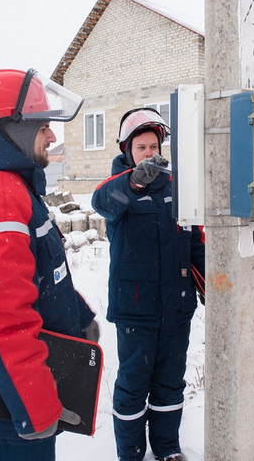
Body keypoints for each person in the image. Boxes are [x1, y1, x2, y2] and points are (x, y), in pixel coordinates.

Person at [0, 68, 99, 461]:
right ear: (14, 127)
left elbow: (33, 277)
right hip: (10, 410)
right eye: (43, 126)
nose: (52, 136)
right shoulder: (2, 194)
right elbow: (2, 315)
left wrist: (78, 315)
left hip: (4, 396)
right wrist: (35, 408)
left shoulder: (8, 186)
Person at [91, 108, 205, 461]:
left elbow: (194, 243)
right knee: (133, 385)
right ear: (127, 150)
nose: (149, 153)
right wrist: (135, 180)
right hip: (136, 310)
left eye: (153, 145)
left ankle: (168, 448)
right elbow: (102, 203)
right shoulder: (118, 189)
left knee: (170, 382)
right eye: (141, 147)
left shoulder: (177, 188)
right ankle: (131, 453)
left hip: (176, 307)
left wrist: (209, 284)